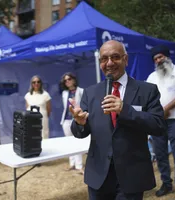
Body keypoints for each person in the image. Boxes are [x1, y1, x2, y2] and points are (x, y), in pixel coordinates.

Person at [69, 40, 167, 200]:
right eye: (104, 59)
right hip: (99, 175)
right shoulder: (90, 92)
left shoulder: (147, 90)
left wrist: (125, 110)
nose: (109, 63)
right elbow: (80, 133)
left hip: (132, 175)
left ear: (126, 60)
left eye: (115, 57)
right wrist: (80, 123)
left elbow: (159, 125)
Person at [146, 45, 175, 200]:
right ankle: (166, 184)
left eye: (160, 57)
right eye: (155, 59)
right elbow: (148, 99)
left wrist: (166, 109)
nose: (159, 60)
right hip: (158, 121)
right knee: (160, 156)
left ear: (167, 56)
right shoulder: (152, 77)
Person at [60, 72, 84, 174]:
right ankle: (72, 164)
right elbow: (65, 107)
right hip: (66, 120)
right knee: (69, 143)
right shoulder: (64, 93)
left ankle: (79, 165)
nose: (67, 81)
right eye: (65, 80)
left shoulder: (81, 91)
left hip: (76, 119)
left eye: (69, 79)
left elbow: (83, 105)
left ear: (74, 79)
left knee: (77, 141)